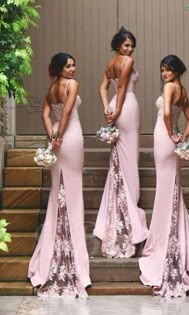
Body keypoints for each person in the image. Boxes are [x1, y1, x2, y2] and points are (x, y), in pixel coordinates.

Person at [139, 55, 189, 297]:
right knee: (172, 190)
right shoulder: (181, 90)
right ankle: (175, 237)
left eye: (169, 69)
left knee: (166, 192)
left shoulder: (169, 87)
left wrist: (173, 134)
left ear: (176, 71)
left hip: (164, 140)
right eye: (162, 70)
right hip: (171, 142)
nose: (164, 73)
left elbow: (165, 113)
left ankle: (164, 246)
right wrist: (182, 137)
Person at [28, 53, 91, 298]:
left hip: (56, 136)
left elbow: (47, 115)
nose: (73, 69)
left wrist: (52, 136)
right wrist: (60, 136)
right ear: (59, 68)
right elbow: (65, 113)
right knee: (72, 194)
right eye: (68, 66)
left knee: (58, 192)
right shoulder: (71, 85)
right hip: (71, 136)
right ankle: (73, 257)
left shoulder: (52, 87)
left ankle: (52, 252)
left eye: (74, 65)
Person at [93, 27, 148, 258]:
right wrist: (115, 111)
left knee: (122, 153)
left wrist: (108, 106)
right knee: (129, 153)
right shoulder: (127, 61)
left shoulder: (109, 64)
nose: (130, 49)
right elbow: (124, 87)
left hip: (118, 104)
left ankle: (123, 194)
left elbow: (103, 88)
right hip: (127, 105)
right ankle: (130, 199)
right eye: (126, 45)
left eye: (132, 46)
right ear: (118, 45)